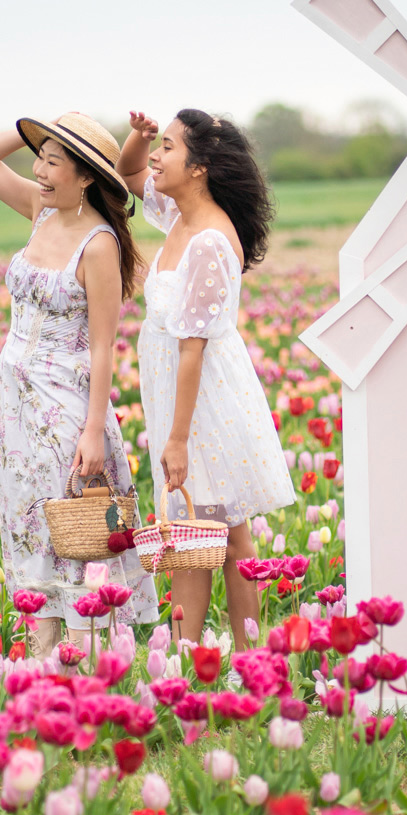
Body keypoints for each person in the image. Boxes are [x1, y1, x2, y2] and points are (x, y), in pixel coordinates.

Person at [0, 112, 157, 657]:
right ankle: (43, 660)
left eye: (53, 162)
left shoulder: (98, 244)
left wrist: (94, 430)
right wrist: (40, 126)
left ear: (87, 175)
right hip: (12, 404)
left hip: (64, 405)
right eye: (39, 159)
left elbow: (102, 346)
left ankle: (82, 665)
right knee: (27, 526)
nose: (39, 171)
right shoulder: (40, 210)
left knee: (70, 533)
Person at [116, 108, 294, 644]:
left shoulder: (210, 241)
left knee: (222, 540)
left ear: (199, 168)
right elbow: (129, 174)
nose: (156, 156)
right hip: (180, 396)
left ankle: (237, 660)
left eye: (168, 147)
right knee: (197, 536)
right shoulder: (178, 215)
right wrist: (138, 136)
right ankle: (195, 660)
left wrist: (177, 439)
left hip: (205, 404)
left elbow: (192, 349)